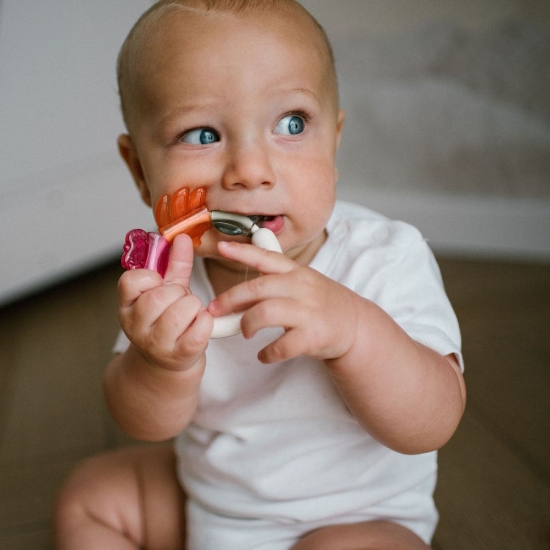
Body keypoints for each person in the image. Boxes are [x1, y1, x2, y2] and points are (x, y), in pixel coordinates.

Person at [53, 0, 466, 548]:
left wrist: (356, 332)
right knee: (92, 495)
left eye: (291, 125)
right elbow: (145, 423)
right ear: (140, 171)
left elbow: (432, 423)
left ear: (334, 143)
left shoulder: (384, 257)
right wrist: (160, 364)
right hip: (214, 505)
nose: (250, 171)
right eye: (202, 135)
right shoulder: (171, 277)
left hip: (354, 519)